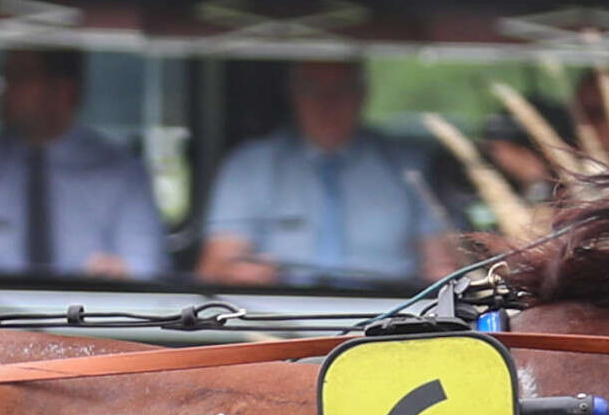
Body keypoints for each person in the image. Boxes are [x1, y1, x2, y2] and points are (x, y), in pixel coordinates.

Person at [0, 49, 165, 280]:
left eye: (20, 78)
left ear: (64, 91)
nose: (4, 90)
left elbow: (147, 267)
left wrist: (118, 274)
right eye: (3, 78)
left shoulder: (121, 172)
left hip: (88, 325)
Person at [196, 60, 468, 289]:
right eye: (314, 90)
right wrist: (244, 275)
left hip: (389, 321)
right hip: (276, 322)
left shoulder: (410, 166)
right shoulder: (249, 165)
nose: (328, 103)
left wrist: (438, 272)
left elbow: (444, 265)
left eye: (342, 90)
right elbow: (213, 269)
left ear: (363, 95)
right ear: (293, 95)